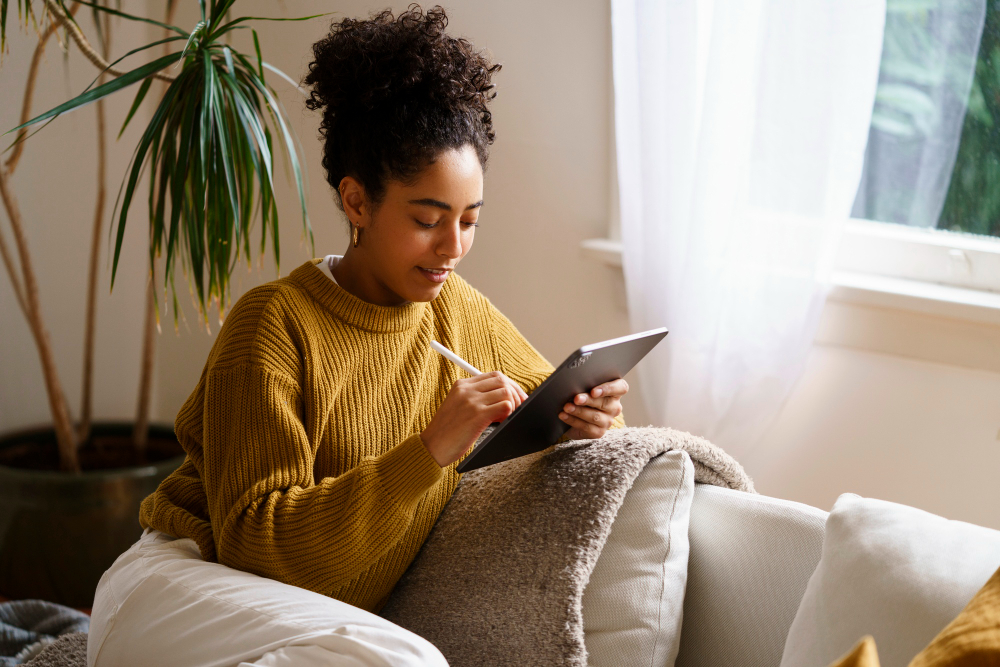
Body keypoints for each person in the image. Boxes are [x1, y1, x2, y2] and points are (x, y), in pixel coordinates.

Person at [87, 5, 628, 666]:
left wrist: (591, 414)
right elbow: (255, 544)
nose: (453, 246)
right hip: (182, 588)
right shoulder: (273, 325)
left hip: (313, 619)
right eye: (429, 218)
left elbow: (554, 401)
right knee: (405, 661)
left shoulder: (457, 309)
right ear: (356, 201)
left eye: (469, 220)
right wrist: (429, 448)